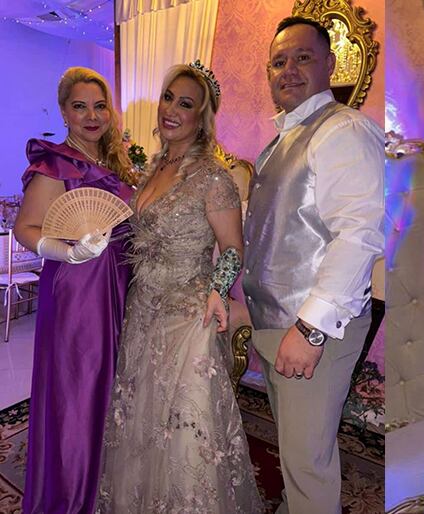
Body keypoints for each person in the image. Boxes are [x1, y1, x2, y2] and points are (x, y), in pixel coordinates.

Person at [97, 61, 263, 513]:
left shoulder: (213, 176)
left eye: (185, 104)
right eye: (168, 98)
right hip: (143, 309)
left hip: (188, 317)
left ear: (201, 118)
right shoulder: (154, 168)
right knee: (139, 421)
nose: (171, 109)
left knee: (185, 435)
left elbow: (233, 249)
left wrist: (218, 291)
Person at [242, 16, 384, 514]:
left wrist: (310, 330)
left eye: (303, 57)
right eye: (278, 61)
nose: (288, 70)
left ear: (329, 64)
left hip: (313, 328)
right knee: (297, 454)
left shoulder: (343, 129)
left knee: (307, 466)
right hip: (277, 323)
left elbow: (359, 235)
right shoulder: (281, 139)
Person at [13, 66, 135, 513]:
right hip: (76, 290)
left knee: (112, 387)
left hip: (118, 286)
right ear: (64, 112)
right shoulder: (55, 162)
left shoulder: (117, 163)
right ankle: (71, 497)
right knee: (78, 390)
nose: (92, 116)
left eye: (100, 106)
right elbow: (24, 227)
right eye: (80, 107)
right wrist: (67, 252)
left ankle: (104, 490)